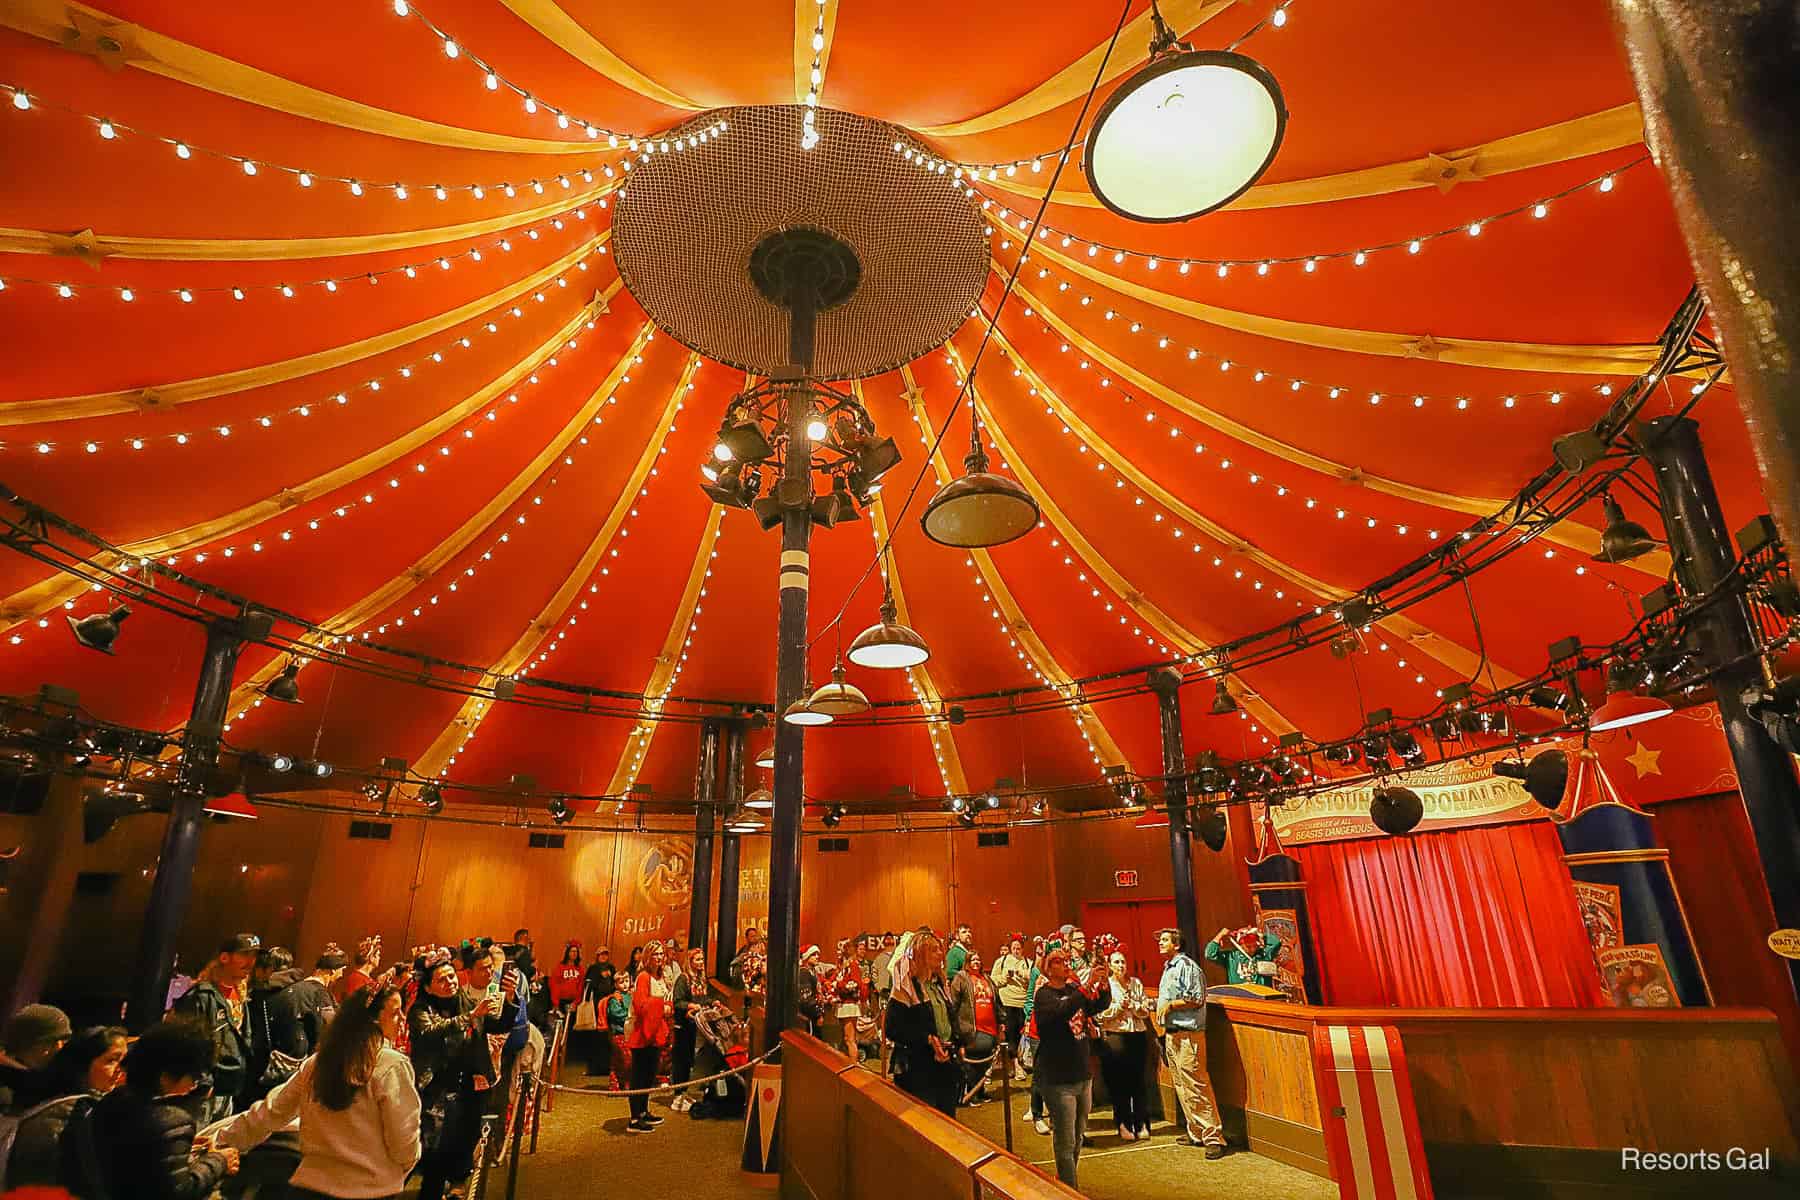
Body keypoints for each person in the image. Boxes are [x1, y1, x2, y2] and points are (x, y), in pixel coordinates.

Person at [214, 983, 421, 1199]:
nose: (403, 1020)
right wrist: (404, 1165)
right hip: (369, 1191)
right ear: (374, 1020)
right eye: (396, 1013)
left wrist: (223, 1140)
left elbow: (270, 1112)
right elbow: (403, 1145)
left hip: (310, 1188)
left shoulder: (318, 1062)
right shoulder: (392, 1065)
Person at [88, 1018, 239, 1200]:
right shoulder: (172, 1120)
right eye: (193, 1075)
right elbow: (180, 1190)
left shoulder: (112, 1101)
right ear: (165, 1077)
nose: (194, 1083)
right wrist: (218, 1160)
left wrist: (180, 1147)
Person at [408, 953, 499, 1200]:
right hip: (437, 1086)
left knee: (465, 1138)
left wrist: (510, 999)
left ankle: (459, 1185)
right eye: (442, 980)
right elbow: (429, 1031)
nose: (450, 982)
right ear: (428, 987)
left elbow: (497, 1023)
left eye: (451, 976)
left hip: (468, 1083)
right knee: (436, 1146)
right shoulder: (420, 1009)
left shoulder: (465, 1000)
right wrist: (469, 1017)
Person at [0, 1025, 127, 1189]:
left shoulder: (89, 1107)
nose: (120, 1070)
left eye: (123, 1062)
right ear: (83, 1064)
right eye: (111, 1060)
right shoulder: (71, 1114)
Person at [1032, 947, 1109, 1188]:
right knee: (1065, 1141)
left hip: (1081, 1073)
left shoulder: (1073, 990)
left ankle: (1065, 1185)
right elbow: (1062, 1011)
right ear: (1048, 967)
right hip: (1058, 1078)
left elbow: (1096, 1006)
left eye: (1067, 961)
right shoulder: (1044, 995)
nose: (1066, 965)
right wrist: (1086, 988)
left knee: (1076, 1140)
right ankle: (1069, 1190)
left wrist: (1103, 984)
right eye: (1059, 962)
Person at [173, 932, 259, 1121]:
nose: (251, 962)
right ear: (224, 957)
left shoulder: (241, 995)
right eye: (244, 955)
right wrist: (203, 1081)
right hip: (204, 1091)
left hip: (229, 1087)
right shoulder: (202, 996)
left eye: (254, 956)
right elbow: (185, 1042)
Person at [1156, 927, 1226, 1158]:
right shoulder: (1168, 969)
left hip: (1189, 1034)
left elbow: (1196, 998)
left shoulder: (1188, 967)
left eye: (1165, 940)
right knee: (1181, 1084)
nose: (1160, 943)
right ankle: (1195, 1130)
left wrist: (1171, 1006)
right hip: (1172, 1033)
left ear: (1177, 944)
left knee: (1196, 1084)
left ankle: (1213, 1136)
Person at [883, 932, 961, 1116]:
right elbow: (893, 1029)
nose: (940, 954)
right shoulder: (906, 987)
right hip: (917, 1068)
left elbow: (947, 1019)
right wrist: (927, 1039)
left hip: (943, 1063)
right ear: (921, 953)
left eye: (940, 949)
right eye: (934, 950)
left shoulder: (939, 984)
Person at [1097, 949, 1152, 1142]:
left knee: (1138, 1081)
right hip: (1116, 1036)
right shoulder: (1106, 986)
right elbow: (1099, 1015)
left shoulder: (1136, 983)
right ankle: (1123, 1123)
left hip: (1137, 1035)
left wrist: (1135, 1007)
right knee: (1119, 1083)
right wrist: (1118, 1008)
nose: (1121, 965)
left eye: (1123, 962)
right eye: (1116, 962)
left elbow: (1145, 1010)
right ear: (1110, 966)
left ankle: (1142, 1123)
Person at [624, 940, 673, 1133]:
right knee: (639, 1075)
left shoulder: (660, 977)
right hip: (643, 1031)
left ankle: (644, 1111)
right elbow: (641, 1004)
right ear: (647, 956)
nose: (659, 958)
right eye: (655, 954)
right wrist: (662, 1006)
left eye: (661, 954)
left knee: (650, 1073)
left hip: (656, 1030)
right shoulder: (643, 977)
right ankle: (635, 1118)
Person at [0, 1003, 71, 1109]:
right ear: (44, 1046)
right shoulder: (12, 1093)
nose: (62, 1048)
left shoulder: (29, 1082)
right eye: (62, 1041)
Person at [952, 952, 1000, 1104]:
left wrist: (1002, 1021)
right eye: (973, 959)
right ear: (967, 962)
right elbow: (954, 1004)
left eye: (978, 959)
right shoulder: (961, 978)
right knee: (973, 1063)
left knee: (984, 1063)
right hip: (971, 1028)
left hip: (990, 1028)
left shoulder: (987, 979)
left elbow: (997, 1002)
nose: (976, 962)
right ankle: (972, 1094)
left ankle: (981, 1092)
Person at [669, 946, 709, 1111]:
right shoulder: (683, 979)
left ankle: (684, 1092)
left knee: (689, 1060)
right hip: (682, 1025)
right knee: (681, 1059)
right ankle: (678, 1093)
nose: (700, 963)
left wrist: (712, 1002)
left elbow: (703, 998)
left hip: (695, 1025)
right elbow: (677, 1002)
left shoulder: (700, 979)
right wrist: (690, 1005)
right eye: (697, 959)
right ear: (690, 961)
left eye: (702, 959)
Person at [992, 935, 1032, 1079]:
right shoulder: (1001, 962)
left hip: (1022, 1003)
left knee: (1020, 1035)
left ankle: (1017, 1063)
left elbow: (1033, 981)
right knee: (1009, 1036)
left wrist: (1023, 976)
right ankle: (1014, 1065)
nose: (1016, 951)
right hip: (1006, 1002)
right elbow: (992, 981)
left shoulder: (1028, 963)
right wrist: (1005, 978)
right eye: (1013, 948)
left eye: (1019, 948)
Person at [582, 946, 618, 1080]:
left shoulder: (612, 968)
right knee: (596, 1038)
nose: (603, 956)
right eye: (601, 954)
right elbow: (588, 986)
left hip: (609, 1006)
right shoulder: (593, 969)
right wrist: (599, 977)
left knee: (608, 1038)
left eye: (605, 954)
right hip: (596, 1007)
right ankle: (594, 1068)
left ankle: (608, 1067)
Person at [1205, 925, 1283, 986]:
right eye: (1248, 946)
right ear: (1240, 945)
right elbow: (1210, 954)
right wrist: (1220, 935)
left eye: (1254, 946)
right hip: (1240, 998)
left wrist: (1260, 934)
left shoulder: (1263, 954)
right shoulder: (1231, 957)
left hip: (1261, 998)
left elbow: (1276, 942)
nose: (1252, 949)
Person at [333, 936, 382, 1006]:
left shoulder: (365, 979)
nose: (379, 958)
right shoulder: (357, 980)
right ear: (371, 958)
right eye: (378, 955)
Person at [795, 945, 824, 1036]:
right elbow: (806, 998)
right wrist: (818, 1014)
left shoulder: (812, 972)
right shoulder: (804, 972)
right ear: (807, 957)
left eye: (817, 954)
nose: (817, 957)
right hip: (809, 1017)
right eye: (814, 954)